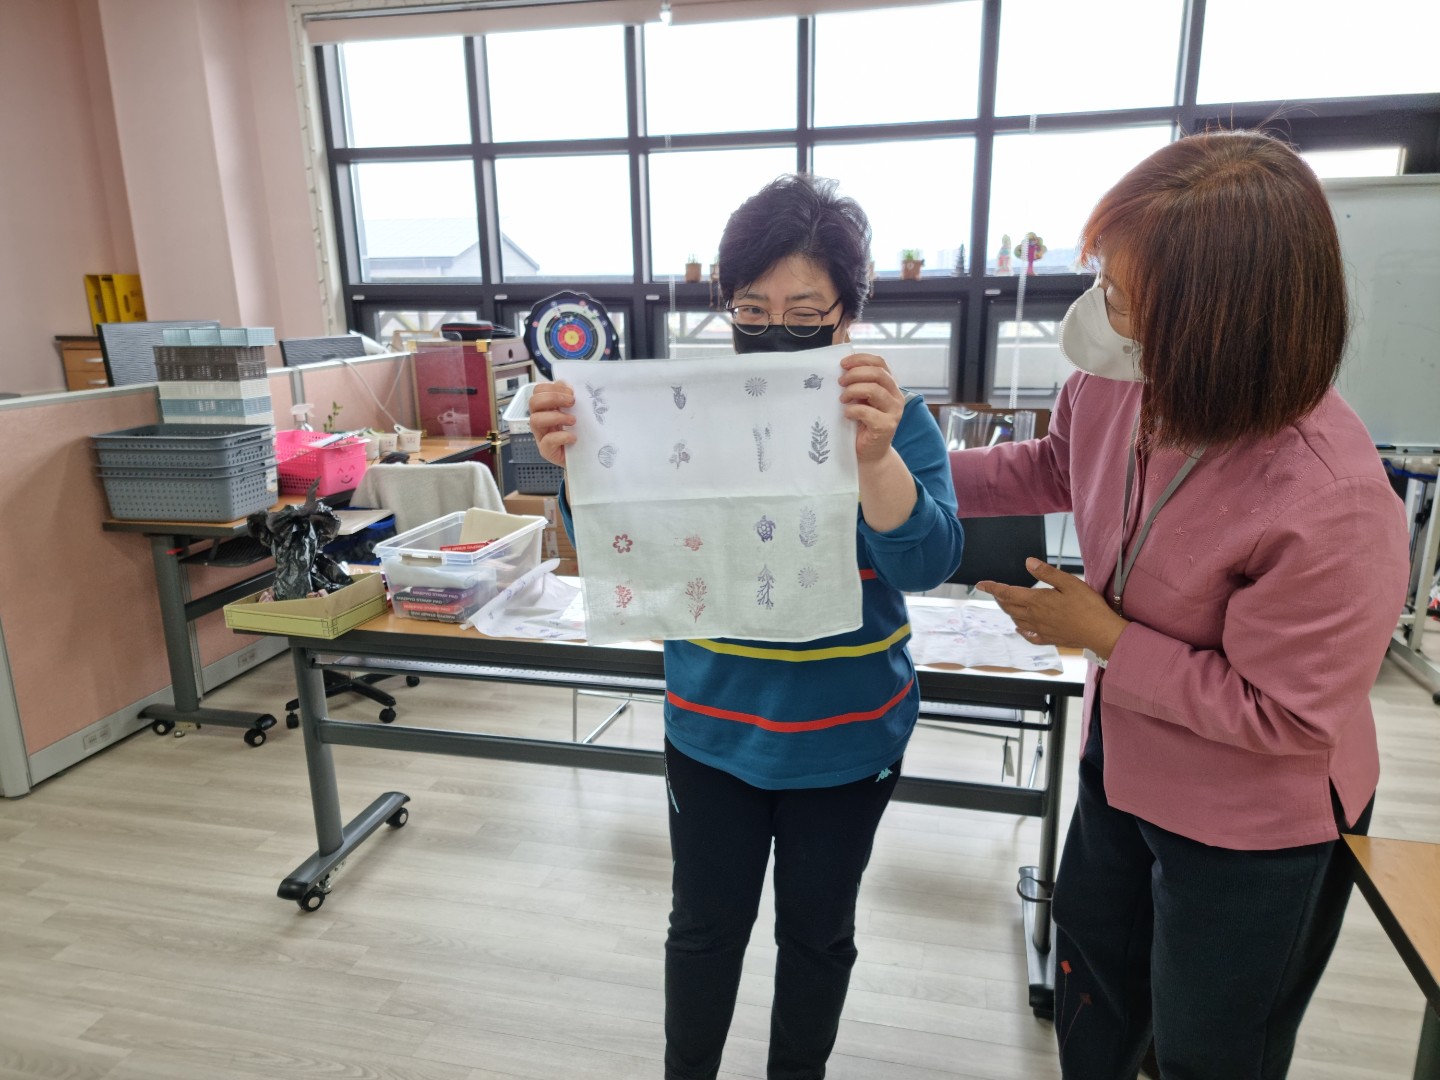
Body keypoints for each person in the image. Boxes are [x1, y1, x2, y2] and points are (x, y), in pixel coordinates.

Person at [950, 129, 1411, 1079]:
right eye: (1105, 279)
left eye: (1123, 296)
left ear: (1216, 325)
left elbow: (1284, 715)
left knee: (1211, 1046)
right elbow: (1054, 465)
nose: (1099, 313)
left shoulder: (1330, 498)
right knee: (1093, 990)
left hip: (1255, 825)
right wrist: (905, 471)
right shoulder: (1120, 381)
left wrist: (1107, 638)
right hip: (1123, 761)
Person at [528, 173, 964, 1080]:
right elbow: (619, 550)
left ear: (848, 312)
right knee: (703, 929)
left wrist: (875, 459)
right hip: (712, 730)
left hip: (847, 740)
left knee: (817, 935)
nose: (772, 330)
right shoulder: (682, 412)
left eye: (803, 312)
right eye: (751, 309)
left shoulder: (896, 419)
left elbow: (927, 563)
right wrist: (577, 466)